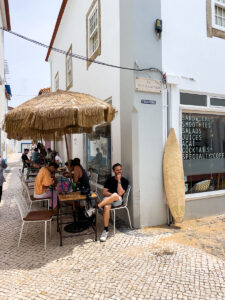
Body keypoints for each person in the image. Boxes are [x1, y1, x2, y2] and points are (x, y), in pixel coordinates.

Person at [87, 163, 129, 242]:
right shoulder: (110, 180)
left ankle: (95, 208)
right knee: (106, 206)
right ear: (113, 171)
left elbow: (120, 193)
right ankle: (105, 230)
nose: (119, 171)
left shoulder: (124, 181)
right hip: (108, 199)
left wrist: (119, 181)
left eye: (120, 169)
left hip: (118, 201)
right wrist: (112, 195)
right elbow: (104, 192)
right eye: (117, 170)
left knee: (116, 195)